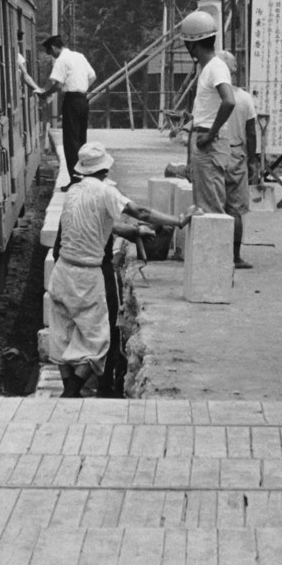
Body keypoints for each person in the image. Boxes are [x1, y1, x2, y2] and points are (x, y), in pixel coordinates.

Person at [48, 141, 193, 398]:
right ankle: (70, 393)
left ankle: (69, 391)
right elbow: (142, 211)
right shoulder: (106, 193)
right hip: (87, 274)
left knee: (63, 333)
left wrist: (132, 232)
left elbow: (103, 226)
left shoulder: (72, 192)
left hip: (62, 271)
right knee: (97, 338)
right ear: (106, 169)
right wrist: (177, 221)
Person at [179, 10, 237, 232]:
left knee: (211, 207)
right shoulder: (208, 68)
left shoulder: (215, 67)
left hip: (209, 142)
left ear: (191, 45)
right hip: (204, 139)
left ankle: (216, 261)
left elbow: (229, 101)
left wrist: (210, 135)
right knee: (204, 204)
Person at [217, 51, 257, 269]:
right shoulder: (244, 98)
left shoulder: (209, 96)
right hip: (236, 154)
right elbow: (251, 133)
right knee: (235, 209)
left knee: (213, 205)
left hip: (213, 152)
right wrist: (253, 160)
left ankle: (213, 253)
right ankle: (234, 256)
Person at [37, 34, 95, 178]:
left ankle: (75, 178)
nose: (52, 56)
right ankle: (83, 174)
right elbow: (93, 76)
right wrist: (82, 87)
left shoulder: (62, 60)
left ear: (53, 48)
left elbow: (58, 84)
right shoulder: (79, 56)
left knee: (70, 141)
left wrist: (45, 94)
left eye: (51, 53)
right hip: (83, 100)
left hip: (71, 101)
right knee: (82, 139)